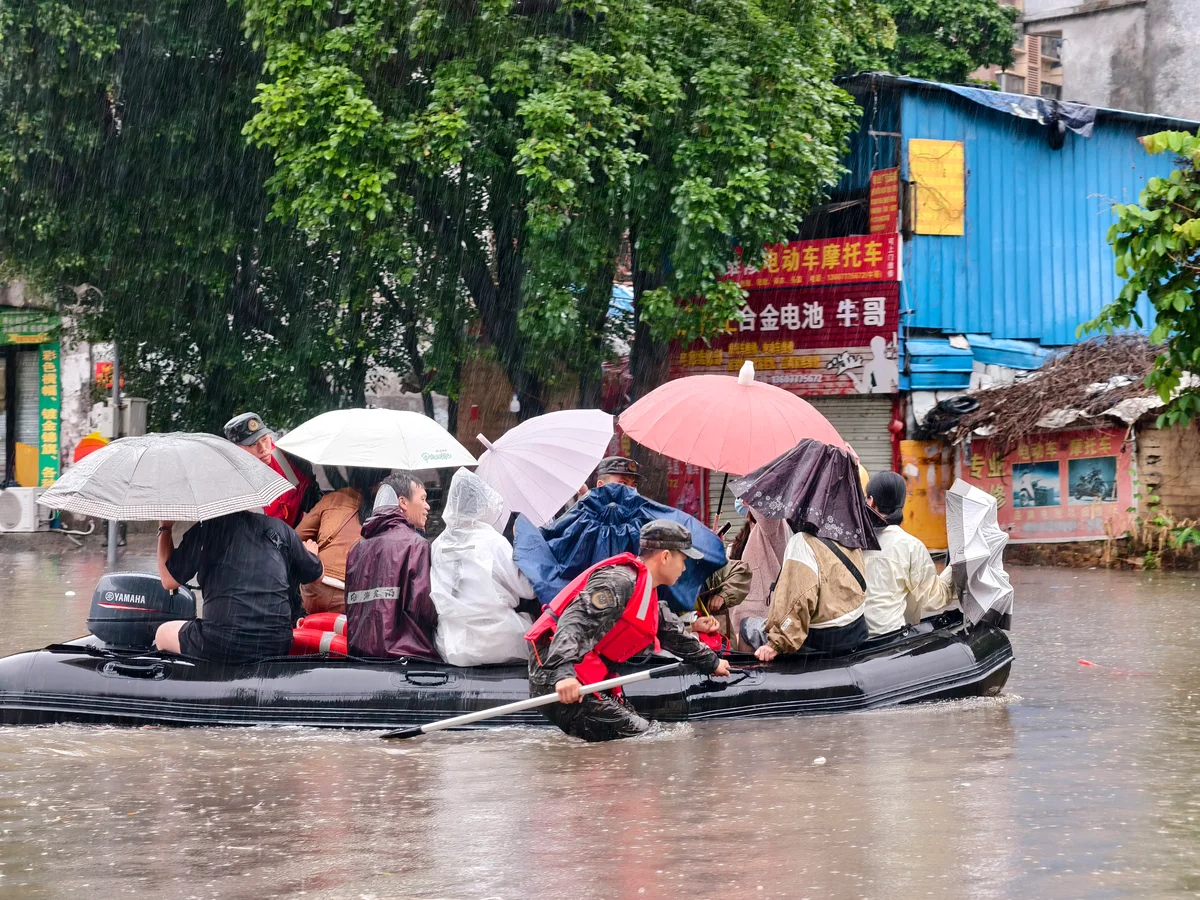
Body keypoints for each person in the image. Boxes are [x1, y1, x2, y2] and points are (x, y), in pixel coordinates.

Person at [526, 520, 732, 742]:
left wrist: (713, 662)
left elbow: (670, 632)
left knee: (640, 734)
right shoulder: (619, 581)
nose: (684, 568)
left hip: (585, 676)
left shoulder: (646, 591)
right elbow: (574, 621)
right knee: (646, 738)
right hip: (557, 676)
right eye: (683, 560)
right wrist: (564, 674)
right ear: (665, 557)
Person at [153, 513, 323, 664]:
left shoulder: (205, 530)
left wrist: (165, 528)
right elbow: (317, 576)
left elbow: (168, 581)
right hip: (276, 643)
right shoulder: (279, 529)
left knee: (162, 633)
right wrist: (310, 554)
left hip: (221, 644)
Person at [430, 469, 537, 666]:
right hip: (498, 642)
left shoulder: (438, 544)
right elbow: (528, 589)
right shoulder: (492, 541)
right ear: (482, 502)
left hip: (452, 647)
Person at [344, 471, 439, 659]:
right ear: (403, 502)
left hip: (361, 659)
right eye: (423, 499)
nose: (428, 506)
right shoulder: (416, 546)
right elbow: (425, 609)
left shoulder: (356, 550)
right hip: (407, 659)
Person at [863, 471, 956, 637]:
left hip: (853, 640)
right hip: (891, 639)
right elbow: (934, 600)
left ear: (871, 501)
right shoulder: (910, 546)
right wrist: (955, 565)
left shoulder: (853, 542)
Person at [295, 466, 390, 614]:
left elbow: (296, 538)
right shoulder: (387, 512)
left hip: (317, 589)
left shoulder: (333, 499)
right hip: (356, 598)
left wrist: (311, 549)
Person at [222, 412, 313, 527]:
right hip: (265, 536)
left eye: (264, 439)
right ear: (237, 451)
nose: (263, 449)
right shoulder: (231, 487)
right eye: (252, 444)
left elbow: (312, 492)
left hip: (301, 527)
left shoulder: (287, 455)